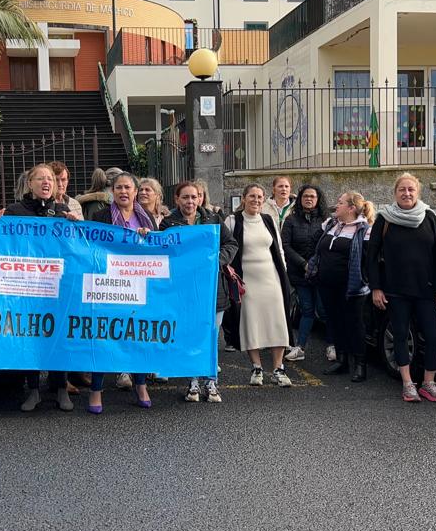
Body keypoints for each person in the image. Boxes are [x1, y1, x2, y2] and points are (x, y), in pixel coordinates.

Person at [0, 164, 78, 411]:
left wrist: (74, 224)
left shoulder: (61, 211)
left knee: (58, 335)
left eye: (50, 179)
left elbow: (74, 247)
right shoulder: (15, 211)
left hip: (55, 286)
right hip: (26, 287)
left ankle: (61, 388)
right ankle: (34, 390)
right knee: (30, 336)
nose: (47, 183)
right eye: (41, 179)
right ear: (30, 184)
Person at [367, 173, 436, 404]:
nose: (407, 193)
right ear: (395, 193)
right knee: (400, 335)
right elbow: (371, 257)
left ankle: (429, 384)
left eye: (411, 189)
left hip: (426, 290)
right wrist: (376, 288)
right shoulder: (385, 219)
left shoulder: (429, 217)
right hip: (395, 290)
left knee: (434, 337)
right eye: (402, 189)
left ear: (418, 192)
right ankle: (408, 383)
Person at [160, 181, 238, 403]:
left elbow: (231, 244)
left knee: (211, 336)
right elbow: (162, 251)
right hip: (184, 288)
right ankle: (192, 381)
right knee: (190, 334)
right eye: (185, 197)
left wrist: (216, 262)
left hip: (213, 288)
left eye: (194, 197)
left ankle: (211, 382)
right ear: (177, 199)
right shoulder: (168, 223)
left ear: (201, 198)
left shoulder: (214, 219)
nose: (190, 201)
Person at [90, 172, 156, 409]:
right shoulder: (101, 216)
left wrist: (148, 238)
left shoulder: (146, 217)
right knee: (103, 335)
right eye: (118, 188)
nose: (123, 192)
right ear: (112, 191)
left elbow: (155, 250)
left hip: (139, 286)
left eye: (127, 187)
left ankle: (140, 385)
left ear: (135, 191)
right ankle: (96, 391)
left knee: (138, 334)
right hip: (109, 286)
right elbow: (92, 248)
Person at [224, 184, 294, 387]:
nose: (256, 200)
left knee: (277, 321)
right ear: (244, 199)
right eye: (252, 196)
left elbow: (279, 249)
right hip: (246, 280)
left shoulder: (268, 220)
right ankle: (256, 368)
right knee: (251, 323)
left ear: (264, 199)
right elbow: (227, 247)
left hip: (271, 278)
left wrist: (284, 275)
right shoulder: (233, 220)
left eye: (260, 197)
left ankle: (278, 369)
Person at [315, 192, 375, 382]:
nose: (336, 206)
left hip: (351, 287)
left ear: (351, 208)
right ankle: (342, 361)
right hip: (327, 284)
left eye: (340, 203)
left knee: (355, 324)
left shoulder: (364, 229)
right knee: (334, 321)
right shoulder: (332, 225)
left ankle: (360, 365)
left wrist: (365, 280)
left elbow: (368, 260)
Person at [282, 184, 332, 362]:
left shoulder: (327, 220)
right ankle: (300, 347)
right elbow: (286, 246)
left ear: (318, 200)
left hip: (321, 273)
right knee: (307, 310)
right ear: (300, 199)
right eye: (305, 196)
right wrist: (303, 264)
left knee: (324, 310)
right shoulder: (291, 220)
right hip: (300, 273)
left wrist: (317, 264)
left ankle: (332, 346)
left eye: (312, 196)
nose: (309, 199)